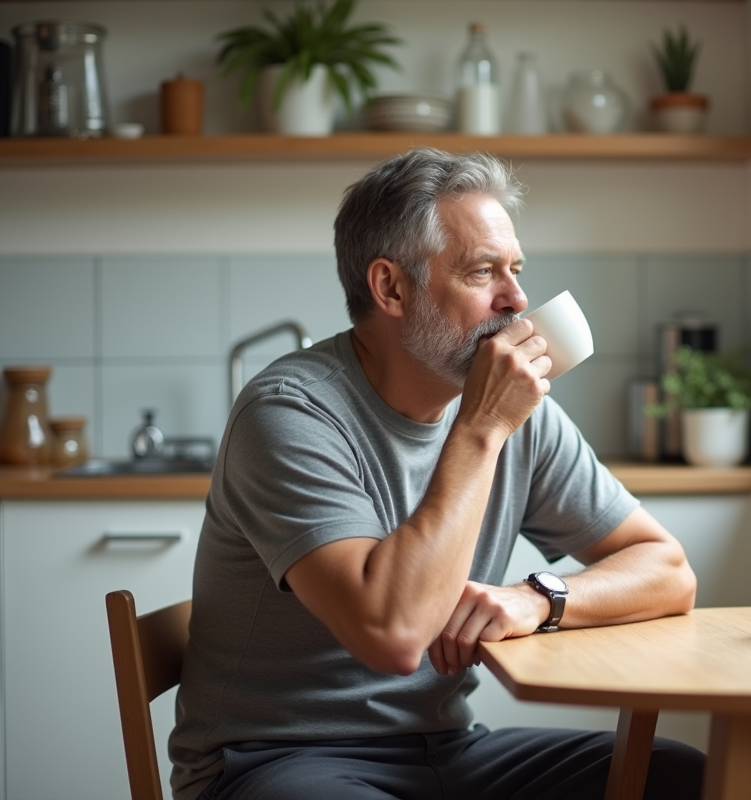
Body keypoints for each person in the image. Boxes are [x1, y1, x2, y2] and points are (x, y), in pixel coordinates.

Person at [169, 147, 705, 800]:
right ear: (391, 287)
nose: (517, 300)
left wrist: (535, 600)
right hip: (278, 759)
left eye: (516, 269)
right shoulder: (291, 413)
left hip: (447, 750)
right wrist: (480, 429)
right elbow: (391, 637)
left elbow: (667, 570)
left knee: (681, 778)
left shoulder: (518, 416)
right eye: (484, 272)